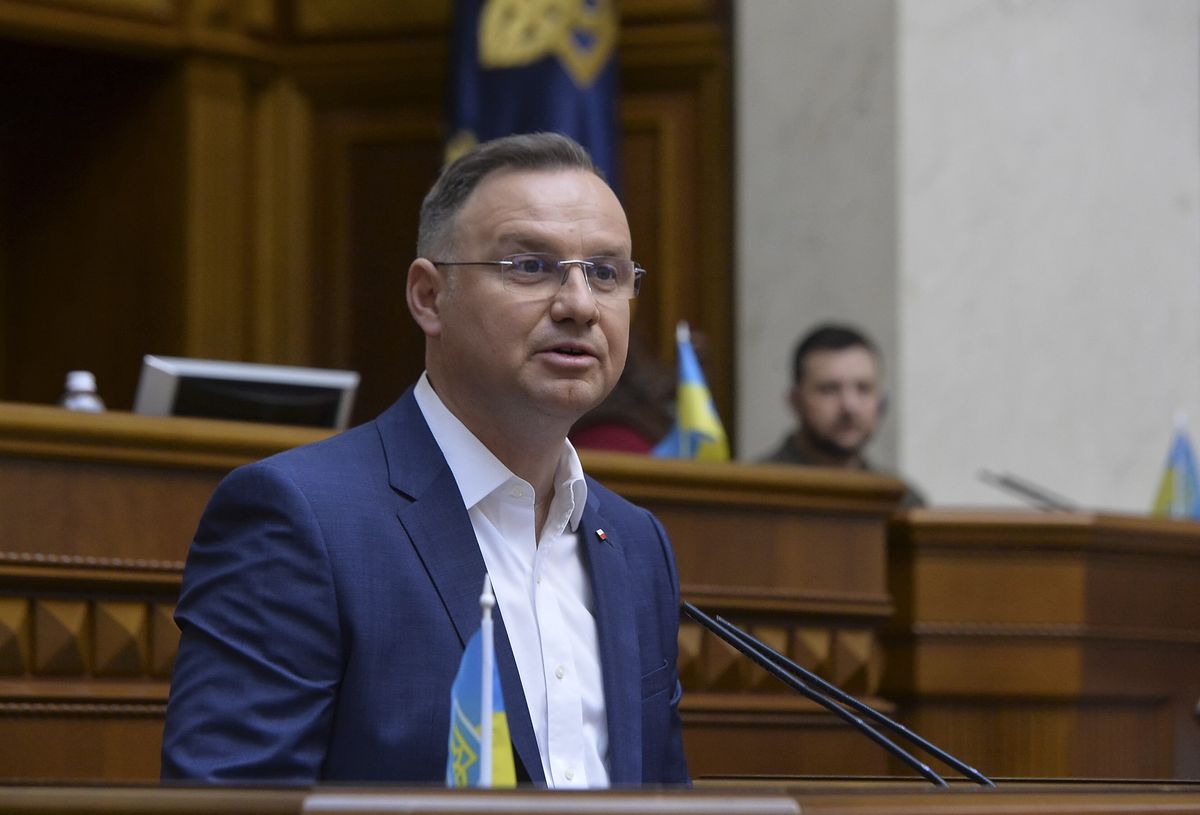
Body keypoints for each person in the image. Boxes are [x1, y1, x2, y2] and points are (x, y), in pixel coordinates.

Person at [160, 133, 689, 787]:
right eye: (530, 265)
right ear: (429, 297)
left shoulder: (636, 544)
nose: (580, 304)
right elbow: (227, 803)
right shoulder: (301, 517)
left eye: (605, 272)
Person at [760, 323, 926, 507]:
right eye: (829, 389)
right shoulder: (755, 492)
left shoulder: (901, 502)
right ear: (796, 401)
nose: (849, 406)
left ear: (881, 400)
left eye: (864, 389)